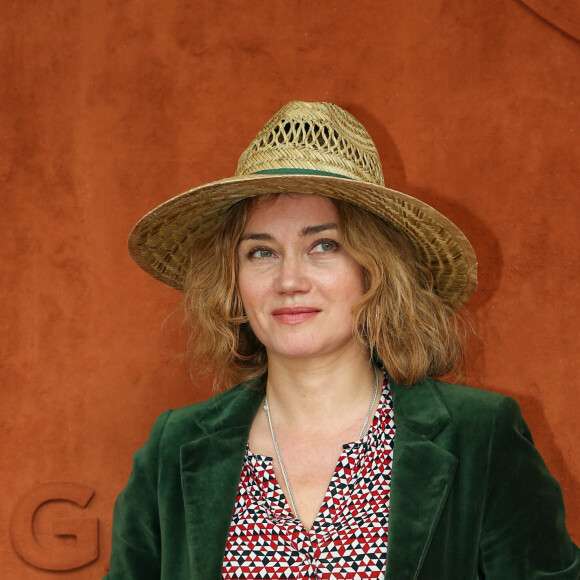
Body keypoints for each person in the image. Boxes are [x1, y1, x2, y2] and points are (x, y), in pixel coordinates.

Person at [105, 101, 579, 579]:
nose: (289, 280)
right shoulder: (172, 450)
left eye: (324, 245)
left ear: (373, 269)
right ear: (234, 280)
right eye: (261, 251)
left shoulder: (481, 437)